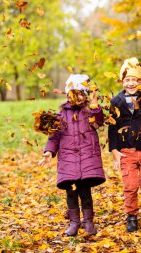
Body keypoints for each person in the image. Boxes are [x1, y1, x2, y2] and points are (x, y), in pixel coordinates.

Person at [38, 74, 106, 236]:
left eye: (82, 93)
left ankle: (88, 221)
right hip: (68, 161)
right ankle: (74, 222)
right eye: (74, 93)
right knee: (71, 193)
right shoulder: (61, 115)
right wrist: (49, 151)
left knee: (85, 191)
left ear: (86, 95)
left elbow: (99, 120)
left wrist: (96, 106)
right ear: (68, 94)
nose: (78, 97)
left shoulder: (89, 112)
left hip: (87, 159)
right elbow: (54, 136)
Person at [108, 57, 141, 232]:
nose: (131, 83)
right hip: (126, 151)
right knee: (130, 186)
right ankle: (131, 216)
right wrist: (114, 150)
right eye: (127, 80)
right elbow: (112, 127)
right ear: (122, 81)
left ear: (140, 81)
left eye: (135, 80)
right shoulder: (116, 101)